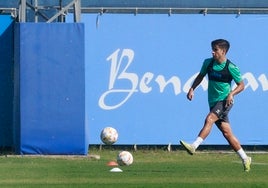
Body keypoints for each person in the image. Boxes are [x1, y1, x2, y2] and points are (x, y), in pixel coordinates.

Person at [179, 39, 251, 172]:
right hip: (213, 102)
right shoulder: (208, 63)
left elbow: (242, 85)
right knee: (227, 133)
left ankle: (194, 146)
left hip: (225, 101)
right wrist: (192, 88)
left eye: (215, 50)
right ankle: (245, 158)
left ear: (223, 51)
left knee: (209, 119)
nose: (212, 52)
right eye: (212, 49)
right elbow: (200, 76)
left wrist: (232, 93)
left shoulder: (231, 67)